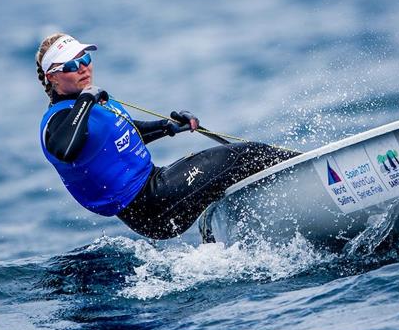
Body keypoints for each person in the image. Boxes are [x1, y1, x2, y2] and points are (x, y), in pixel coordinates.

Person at [36, 33, 296, 239]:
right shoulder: (57, 121)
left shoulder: (88, 106)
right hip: (151, 204)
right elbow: (65, 149)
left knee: (231, 171)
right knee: (243, 155)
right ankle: (317, 167)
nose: (83, 68)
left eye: (85, 59)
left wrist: (168, 126)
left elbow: (123, 137)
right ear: (53, 77)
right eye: (72, 64)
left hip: (157, 191)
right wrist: (85, 100)